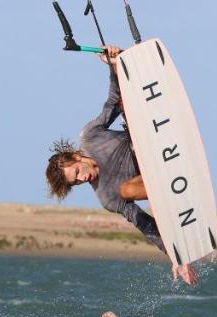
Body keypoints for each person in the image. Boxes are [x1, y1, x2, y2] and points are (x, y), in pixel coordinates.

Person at [45, 44, 199, 284]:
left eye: (77, 172)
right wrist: (177, 257)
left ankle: (126, 67)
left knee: (125, 106)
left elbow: (113, 102)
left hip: (150, 139)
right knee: (126, 191)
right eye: (76, 182)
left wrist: (114, 66)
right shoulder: (107, 197)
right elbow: (144, 224)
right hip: (156, 177)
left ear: (76, 157)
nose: (82, 179)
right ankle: (170, 187)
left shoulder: (90, 136)